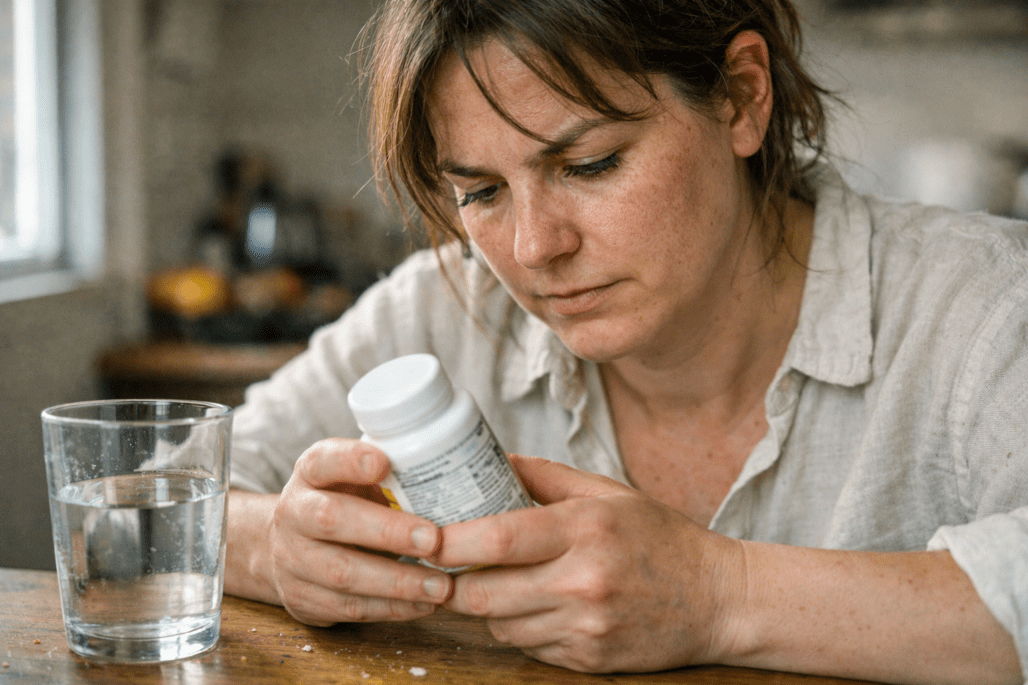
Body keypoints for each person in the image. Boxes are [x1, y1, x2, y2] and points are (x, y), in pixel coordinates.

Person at [222, 0, 1028, 682]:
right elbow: (150, 497)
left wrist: (720, 593)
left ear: (743, 97)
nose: (535, 248)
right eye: (482, 191)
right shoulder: (440, 311)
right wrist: (277, 548)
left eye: (592, 163)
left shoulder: (983, 305)